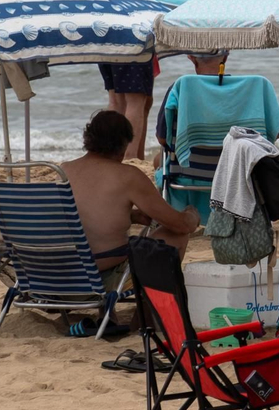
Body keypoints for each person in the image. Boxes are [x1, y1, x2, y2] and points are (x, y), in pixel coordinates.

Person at [64, 111, 197, 287]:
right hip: (103, 278)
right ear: (123, 143)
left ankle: (108, 313)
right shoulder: (128, 176)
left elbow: (79, 215)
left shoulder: (65, 170)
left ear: (88, 138)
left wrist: (131, 216)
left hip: (59, 275)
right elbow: (179, 225)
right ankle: (147, 313)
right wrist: (191, 215)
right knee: (178, 236)